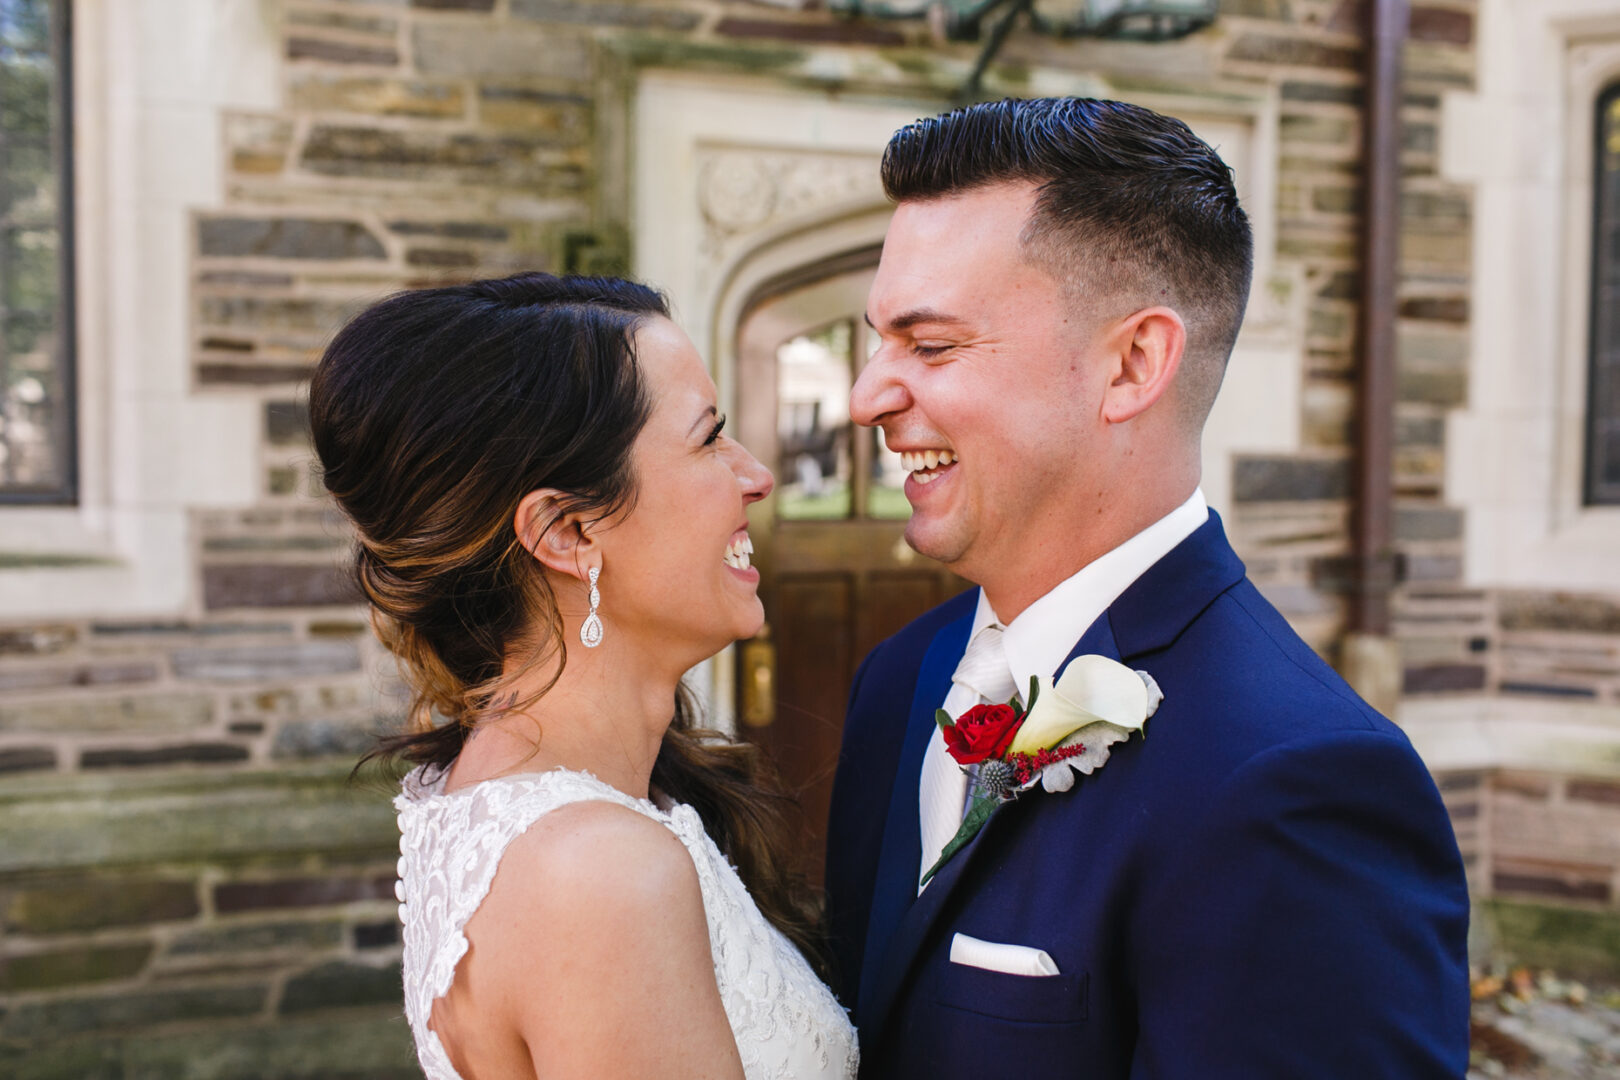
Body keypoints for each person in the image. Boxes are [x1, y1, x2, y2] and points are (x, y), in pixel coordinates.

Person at [824, 97, 1470, 1078]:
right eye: (878, 342)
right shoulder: (899, 681)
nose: (867, 397)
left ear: (1131, 364)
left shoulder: (1297, 783)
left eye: (933, 345)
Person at [309, 274, 858, 1080]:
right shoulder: (597, 873)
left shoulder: (536, 797)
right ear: (568, 532)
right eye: (708, 439)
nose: (757, 475)